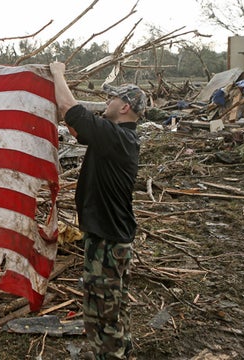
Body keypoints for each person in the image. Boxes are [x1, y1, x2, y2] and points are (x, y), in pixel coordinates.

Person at [49, 61, 146, 360]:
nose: (108, 101)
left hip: (109, 241)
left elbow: (71, 108)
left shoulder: (119, 138)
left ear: (126, 108)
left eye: (113, 98)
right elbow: (76, 125)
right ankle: (117, 350)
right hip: (103, 236)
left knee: (105, 311)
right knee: (107, 305)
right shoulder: (111, 137)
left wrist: (57, 73)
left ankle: (113, 354)